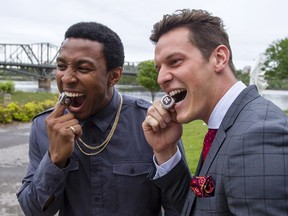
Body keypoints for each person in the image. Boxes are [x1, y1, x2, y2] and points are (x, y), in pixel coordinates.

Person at [17, 21, 183, 216]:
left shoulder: (153, 123)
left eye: (83, 68)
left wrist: (167, 154)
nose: (66, 78)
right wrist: (55, 161)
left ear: (114, 76)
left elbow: (181, 207)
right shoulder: (42, 127)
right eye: (61, 66)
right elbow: (34, 211)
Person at [142, 9, 288, 215]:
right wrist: (166, 150)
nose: (161, 78)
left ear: (219, 58)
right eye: (159, 68)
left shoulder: (258, 136)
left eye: (174, 61)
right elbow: (198, 207)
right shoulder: (227, 126)